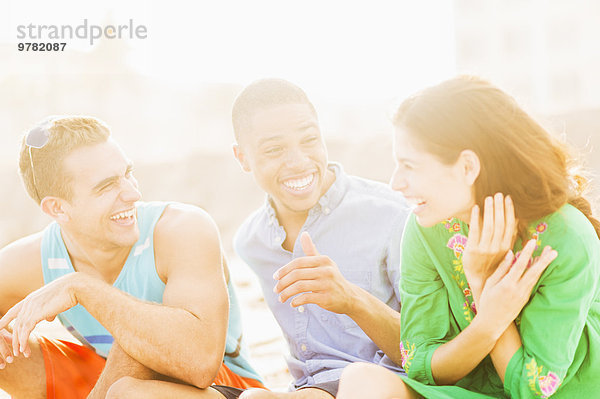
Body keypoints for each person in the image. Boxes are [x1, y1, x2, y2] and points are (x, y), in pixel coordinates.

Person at [336, 75, 600, 398]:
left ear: (467, 167)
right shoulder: (425, 228)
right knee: (362, 381)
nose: (395, 182)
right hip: (470, 392)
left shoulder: (566, 239)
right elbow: (419, 363)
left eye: (409, 165)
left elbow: (532, 389)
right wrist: (489, 319)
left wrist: (484, 280)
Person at [0, 116, 264, 399]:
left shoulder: (182, 229)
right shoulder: (33, 259)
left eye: (128, 173)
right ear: (58, 209)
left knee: (139, 342)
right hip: (110, 381)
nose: (132, 193)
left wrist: (80, 288)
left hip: (219, 388)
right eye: (107, 186)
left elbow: (200, 365)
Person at [230, 78, 408, 399]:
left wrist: (352, 299)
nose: (299, 161)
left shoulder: (393, 215)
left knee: (358, 382)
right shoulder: (250, 242)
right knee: (252, 398)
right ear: (242, 157)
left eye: (309, 140)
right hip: (310, 390)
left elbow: (429, 354)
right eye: (274, 149)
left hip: (385, 385)